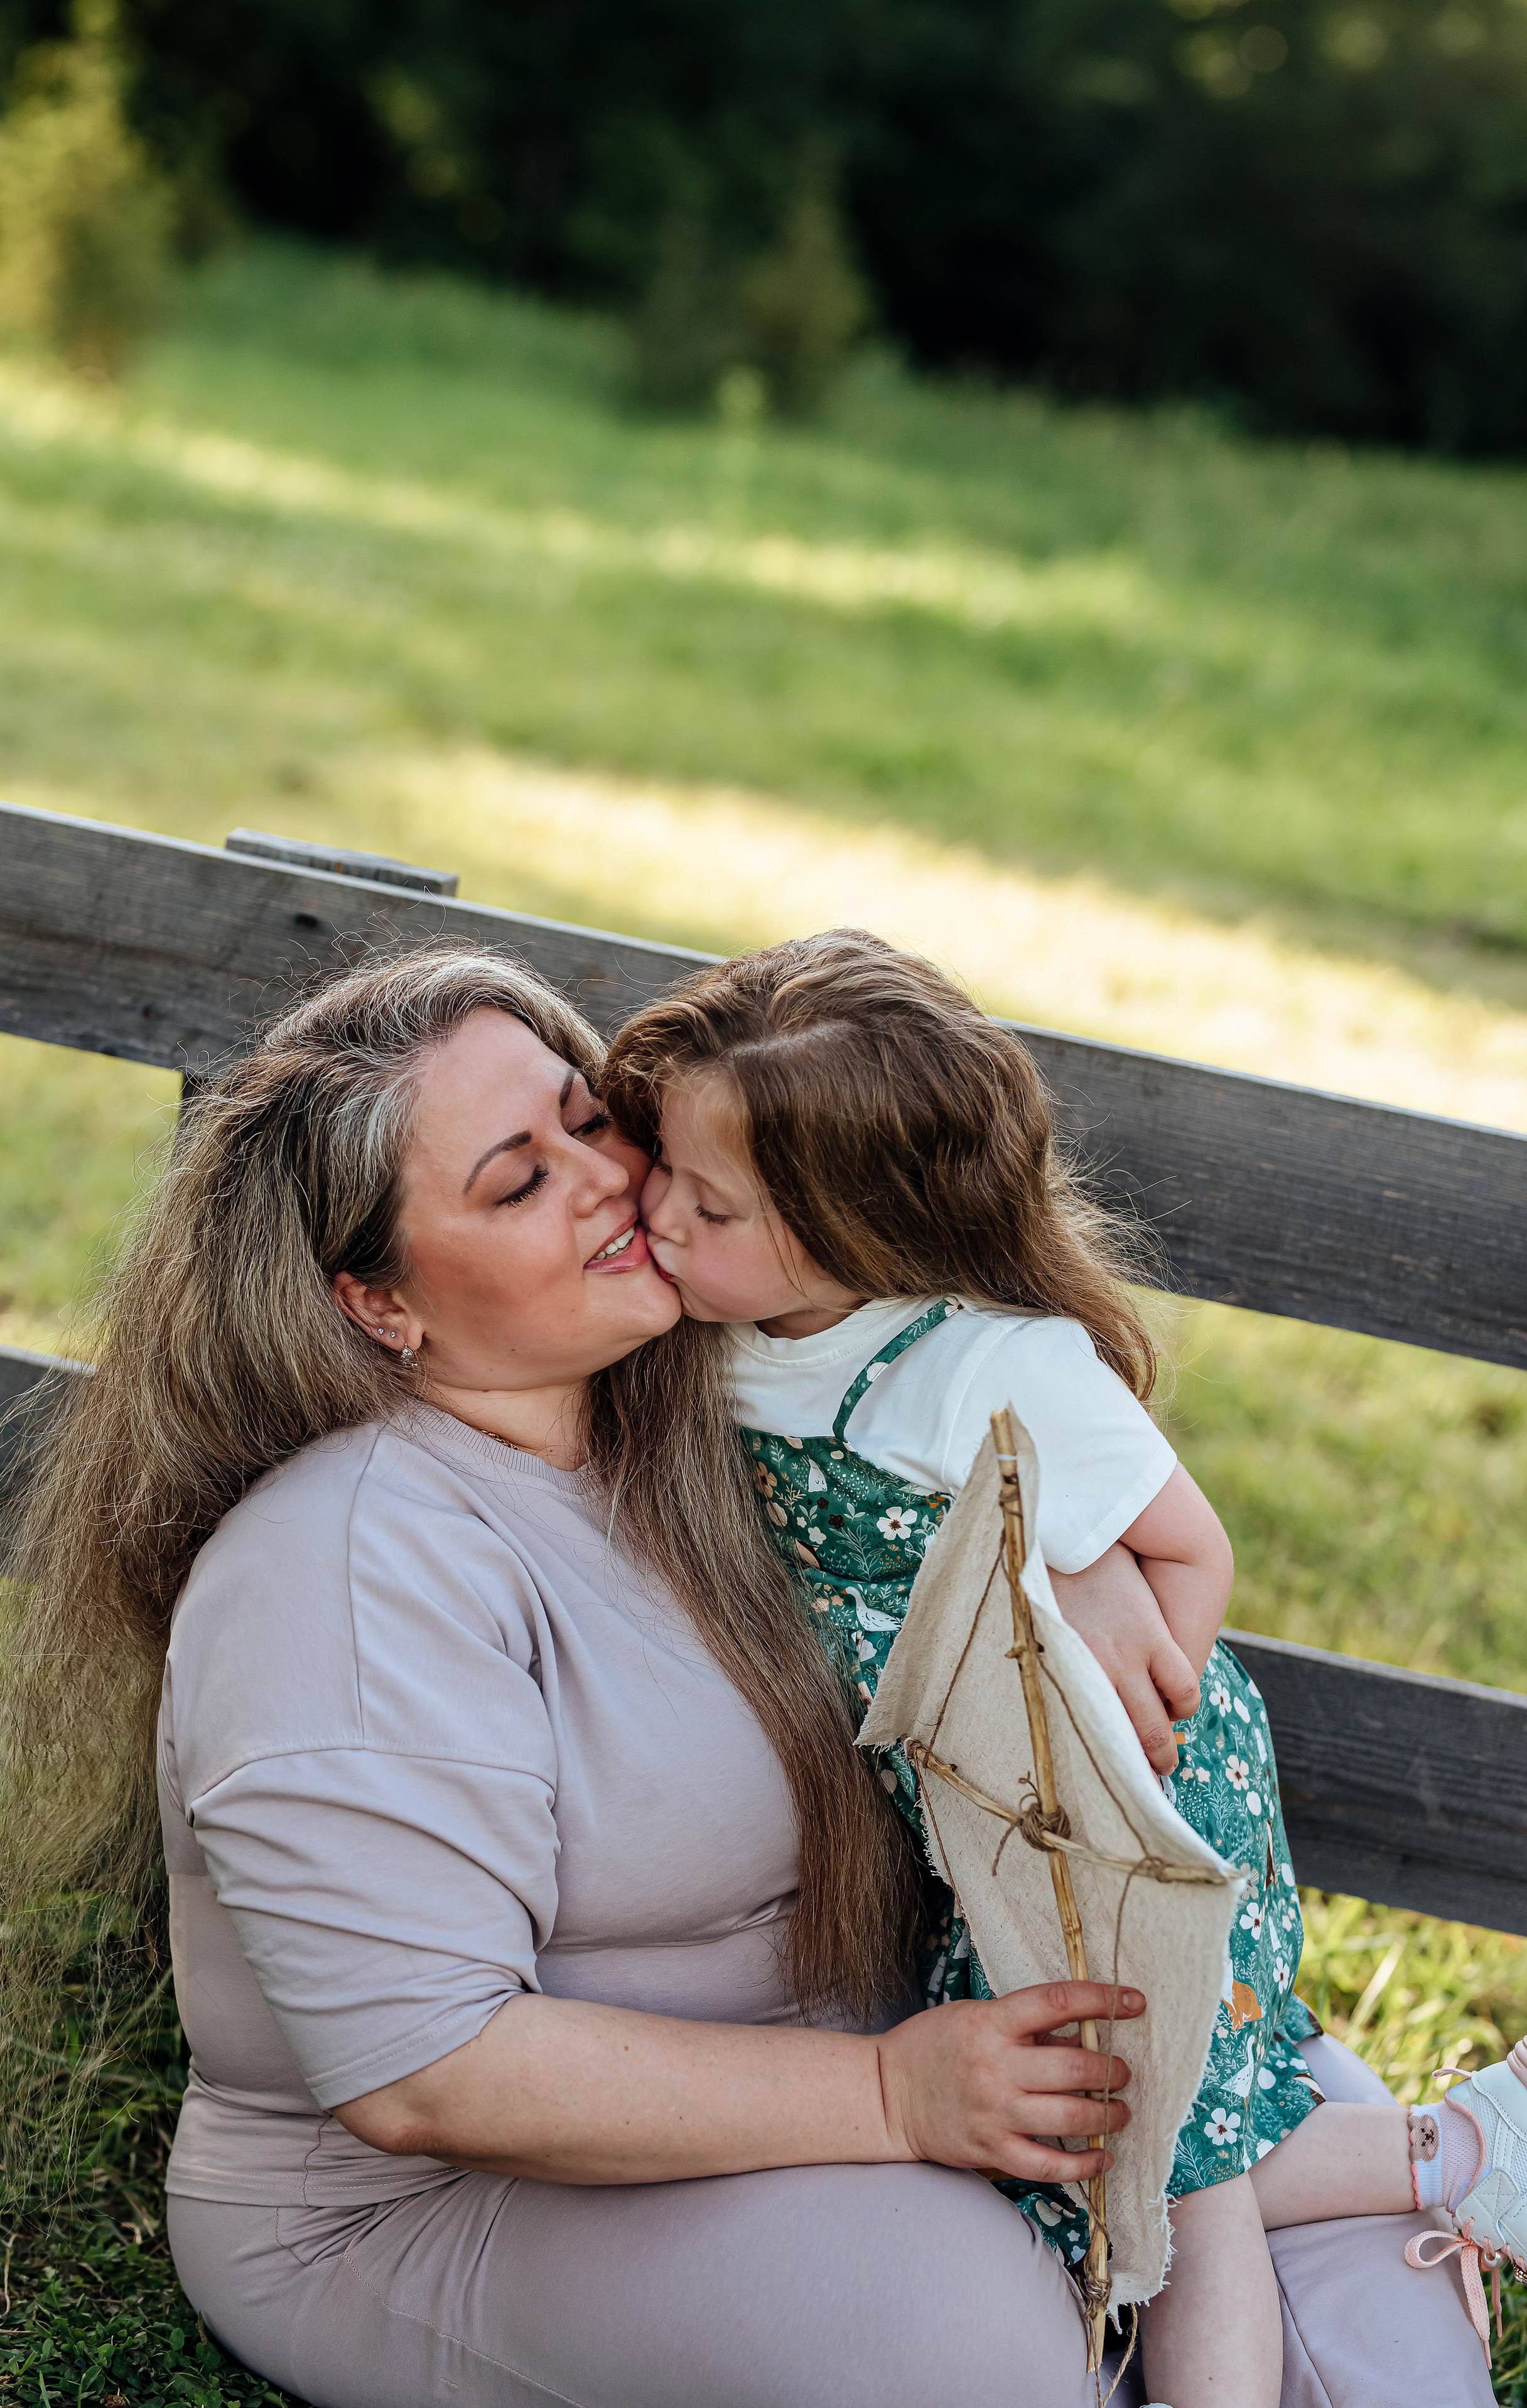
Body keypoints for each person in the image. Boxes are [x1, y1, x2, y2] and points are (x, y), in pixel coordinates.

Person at [0, 941, 1496, 2408]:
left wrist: (1062, 1560)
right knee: (956, 2336)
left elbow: (941, 1386)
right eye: (519, 1180)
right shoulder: (349, 1565)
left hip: (873, 2044)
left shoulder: (704, 1409)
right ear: (378, 1301)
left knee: (1299, 2154)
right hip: (437, 2197)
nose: (609, 1185)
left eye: (584, 1119)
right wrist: (897, 2103)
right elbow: (425, 2076)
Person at [604, 927, 1523, 2406]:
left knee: (1161, 2141)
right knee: (1081, 2129)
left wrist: (1123, 1727)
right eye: (662, 1166)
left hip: (1119, 1785)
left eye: (705, 1203)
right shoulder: (715, 1334)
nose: (653, 1210)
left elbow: (1192, 1550)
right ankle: (1457, 2154)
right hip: (979, 1799)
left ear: (858, 1234)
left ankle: (1307, 2297)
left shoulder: (986, 1364)